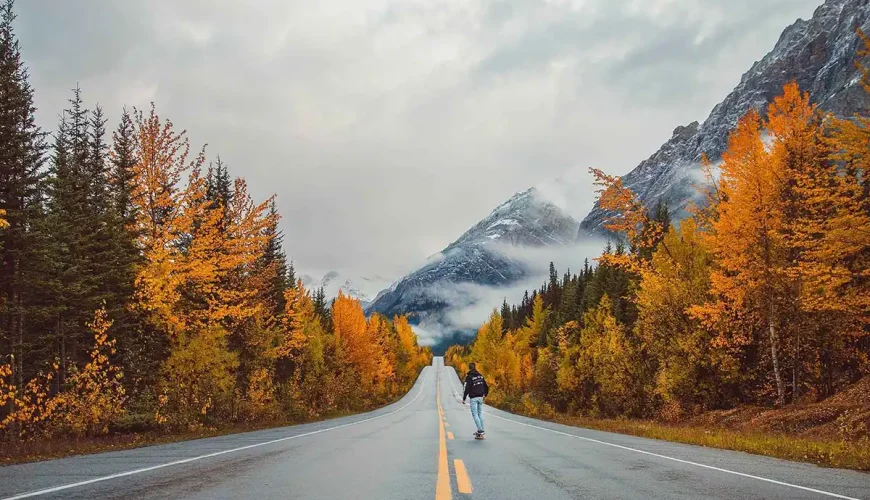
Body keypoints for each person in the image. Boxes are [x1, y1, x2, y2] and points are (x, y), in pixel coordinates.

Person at [462, 362, 489, 438]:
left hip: (473, 398)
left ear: (469, 368)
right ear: (475, 367)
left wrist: (464, 398)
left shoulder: (469, 377)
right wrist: (485, 394)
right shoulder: (480, 376)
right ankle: (481, 430)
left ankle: (480, 430)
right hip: (480, 397)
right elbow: (486, 386)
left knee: (475, 414)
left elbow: (467, 388)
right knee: (480, 414)